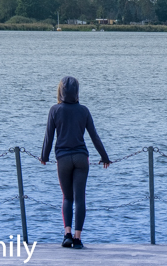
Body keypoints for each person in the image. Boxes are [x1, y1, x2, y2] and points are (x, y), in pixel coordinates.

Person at [40, 76, 111, 249]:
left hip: (63, 158)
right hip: (81, 158)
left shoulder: (54, 110)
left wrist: (44, 156)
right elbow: (94, 136)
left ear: (60, 91)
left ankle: (67, 235)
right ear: (77, 92)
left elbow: (48, 136)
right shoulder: (84, 111)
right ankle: (78, 239)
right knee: (80, 198)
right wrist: (104, 156)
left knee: (67, 198)